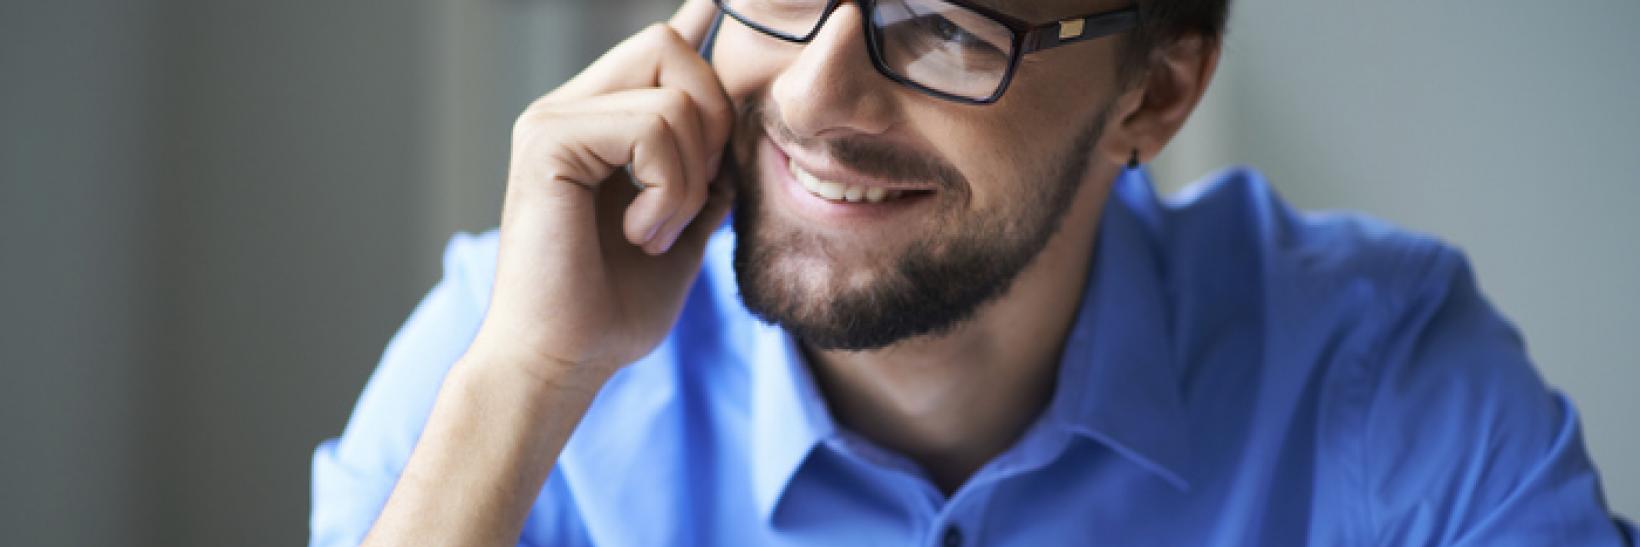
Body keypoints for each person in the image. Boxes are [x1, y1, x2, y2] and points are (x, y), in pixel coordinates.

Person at [311, 0, 1636, 544]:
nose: (816, 94)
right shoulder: (518, 340)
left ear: (1155, 94)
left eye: (942, 27)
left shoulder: (1378, 382)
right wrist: (528, 386)